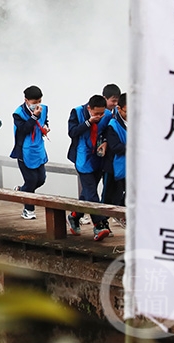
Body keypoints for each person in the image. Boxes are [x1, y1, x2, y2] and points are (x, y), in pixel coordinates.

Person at [67, 94, 113, 241]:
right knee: (92, 193)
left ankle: (74, 216)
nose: (100, 116)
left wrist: (105, 142)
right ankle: (99, 225)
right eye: (96, 113)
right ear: (89, 108)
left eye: (102, 113)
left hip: (98, 157)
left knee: (88, 193)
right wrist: (88, 122)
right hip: (82, 157)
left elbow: (107, 131)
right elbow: (72, 132)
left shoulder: (107, 115)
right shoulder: (77, 112)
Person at [10, 85, 50, 219]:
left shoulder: (44, 109)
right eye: (34, 102)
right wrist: (34, 116)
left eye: (39, 101)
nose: (37, 104)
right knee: (31, 180)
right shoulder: (18, 113)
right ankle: (28, 210)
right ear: (26, 100)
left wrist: (46, 127)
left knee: (41, 179)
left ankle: (21, 191)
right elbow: (23, 129)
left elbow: (45, 121)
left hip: (38, 149)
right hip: (24, 150)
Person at [101, 93, 127, 221]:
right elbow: (115, 146)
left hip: (132, 168)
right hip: (113, 166)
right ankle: (102, 223)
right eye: (127, 111)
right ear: (119, 108)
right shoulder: (113, 124)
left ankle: (123, 217)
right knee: (109, 197)